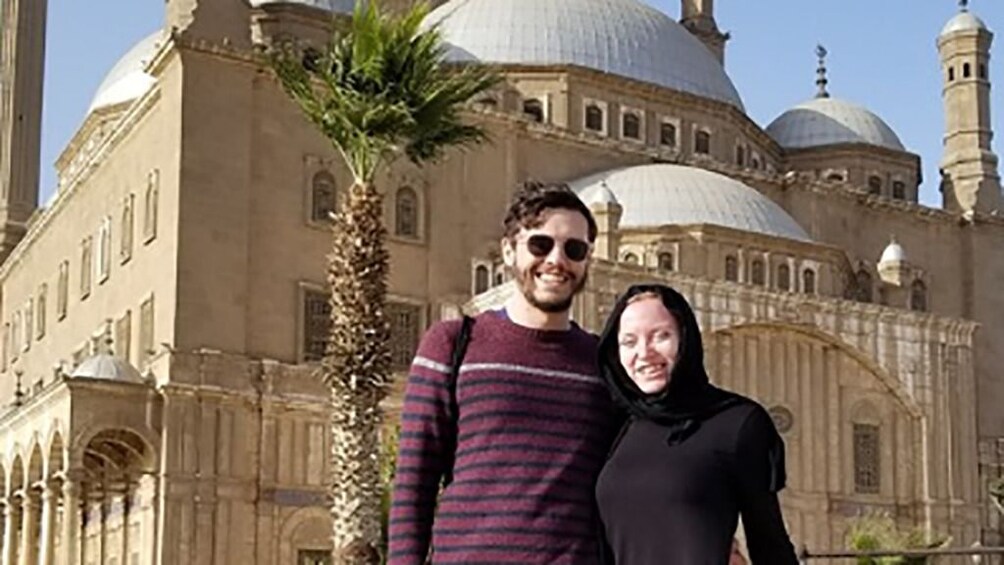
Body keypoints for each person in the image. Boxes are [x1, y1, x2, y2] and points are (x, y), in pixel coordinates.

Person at [388, 181, 619, 564]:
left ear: (587, 261)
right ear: (510, 251)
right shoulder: (453, 343)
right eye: (540, 244)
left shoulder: (603, 363)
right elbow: (415, 481)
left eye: (573, 249)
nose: (556, 260)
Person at [595, 284, 798, 564]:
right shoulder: (618, 425)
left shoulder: (735, 423)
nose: (644, 352)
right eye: (629, 341)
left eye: (661, 336)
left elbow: (769, 543)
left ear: (685, 338)